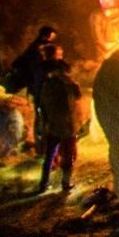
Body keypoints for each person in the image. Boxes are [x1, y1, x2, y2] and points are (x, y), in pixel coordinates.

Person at [35, 45, 82, 193]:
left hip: (53, 126)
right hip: (66, 127)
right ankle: (65, 183)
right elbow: (78, 96)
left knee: (50, 155)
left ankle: (43, 184)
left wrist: (45, 123)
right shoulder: (67, 86)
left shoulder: (46, 85)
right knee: (67, 156)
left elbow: (41, 106)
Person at [6, 25, 58, 101]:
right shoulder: (39, 48)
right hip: (25, 75)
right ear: (47, 35)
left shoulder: (38, 46)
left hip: (24, 74)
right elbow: (36, 69)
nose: (52, 40)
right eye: (52, 36)